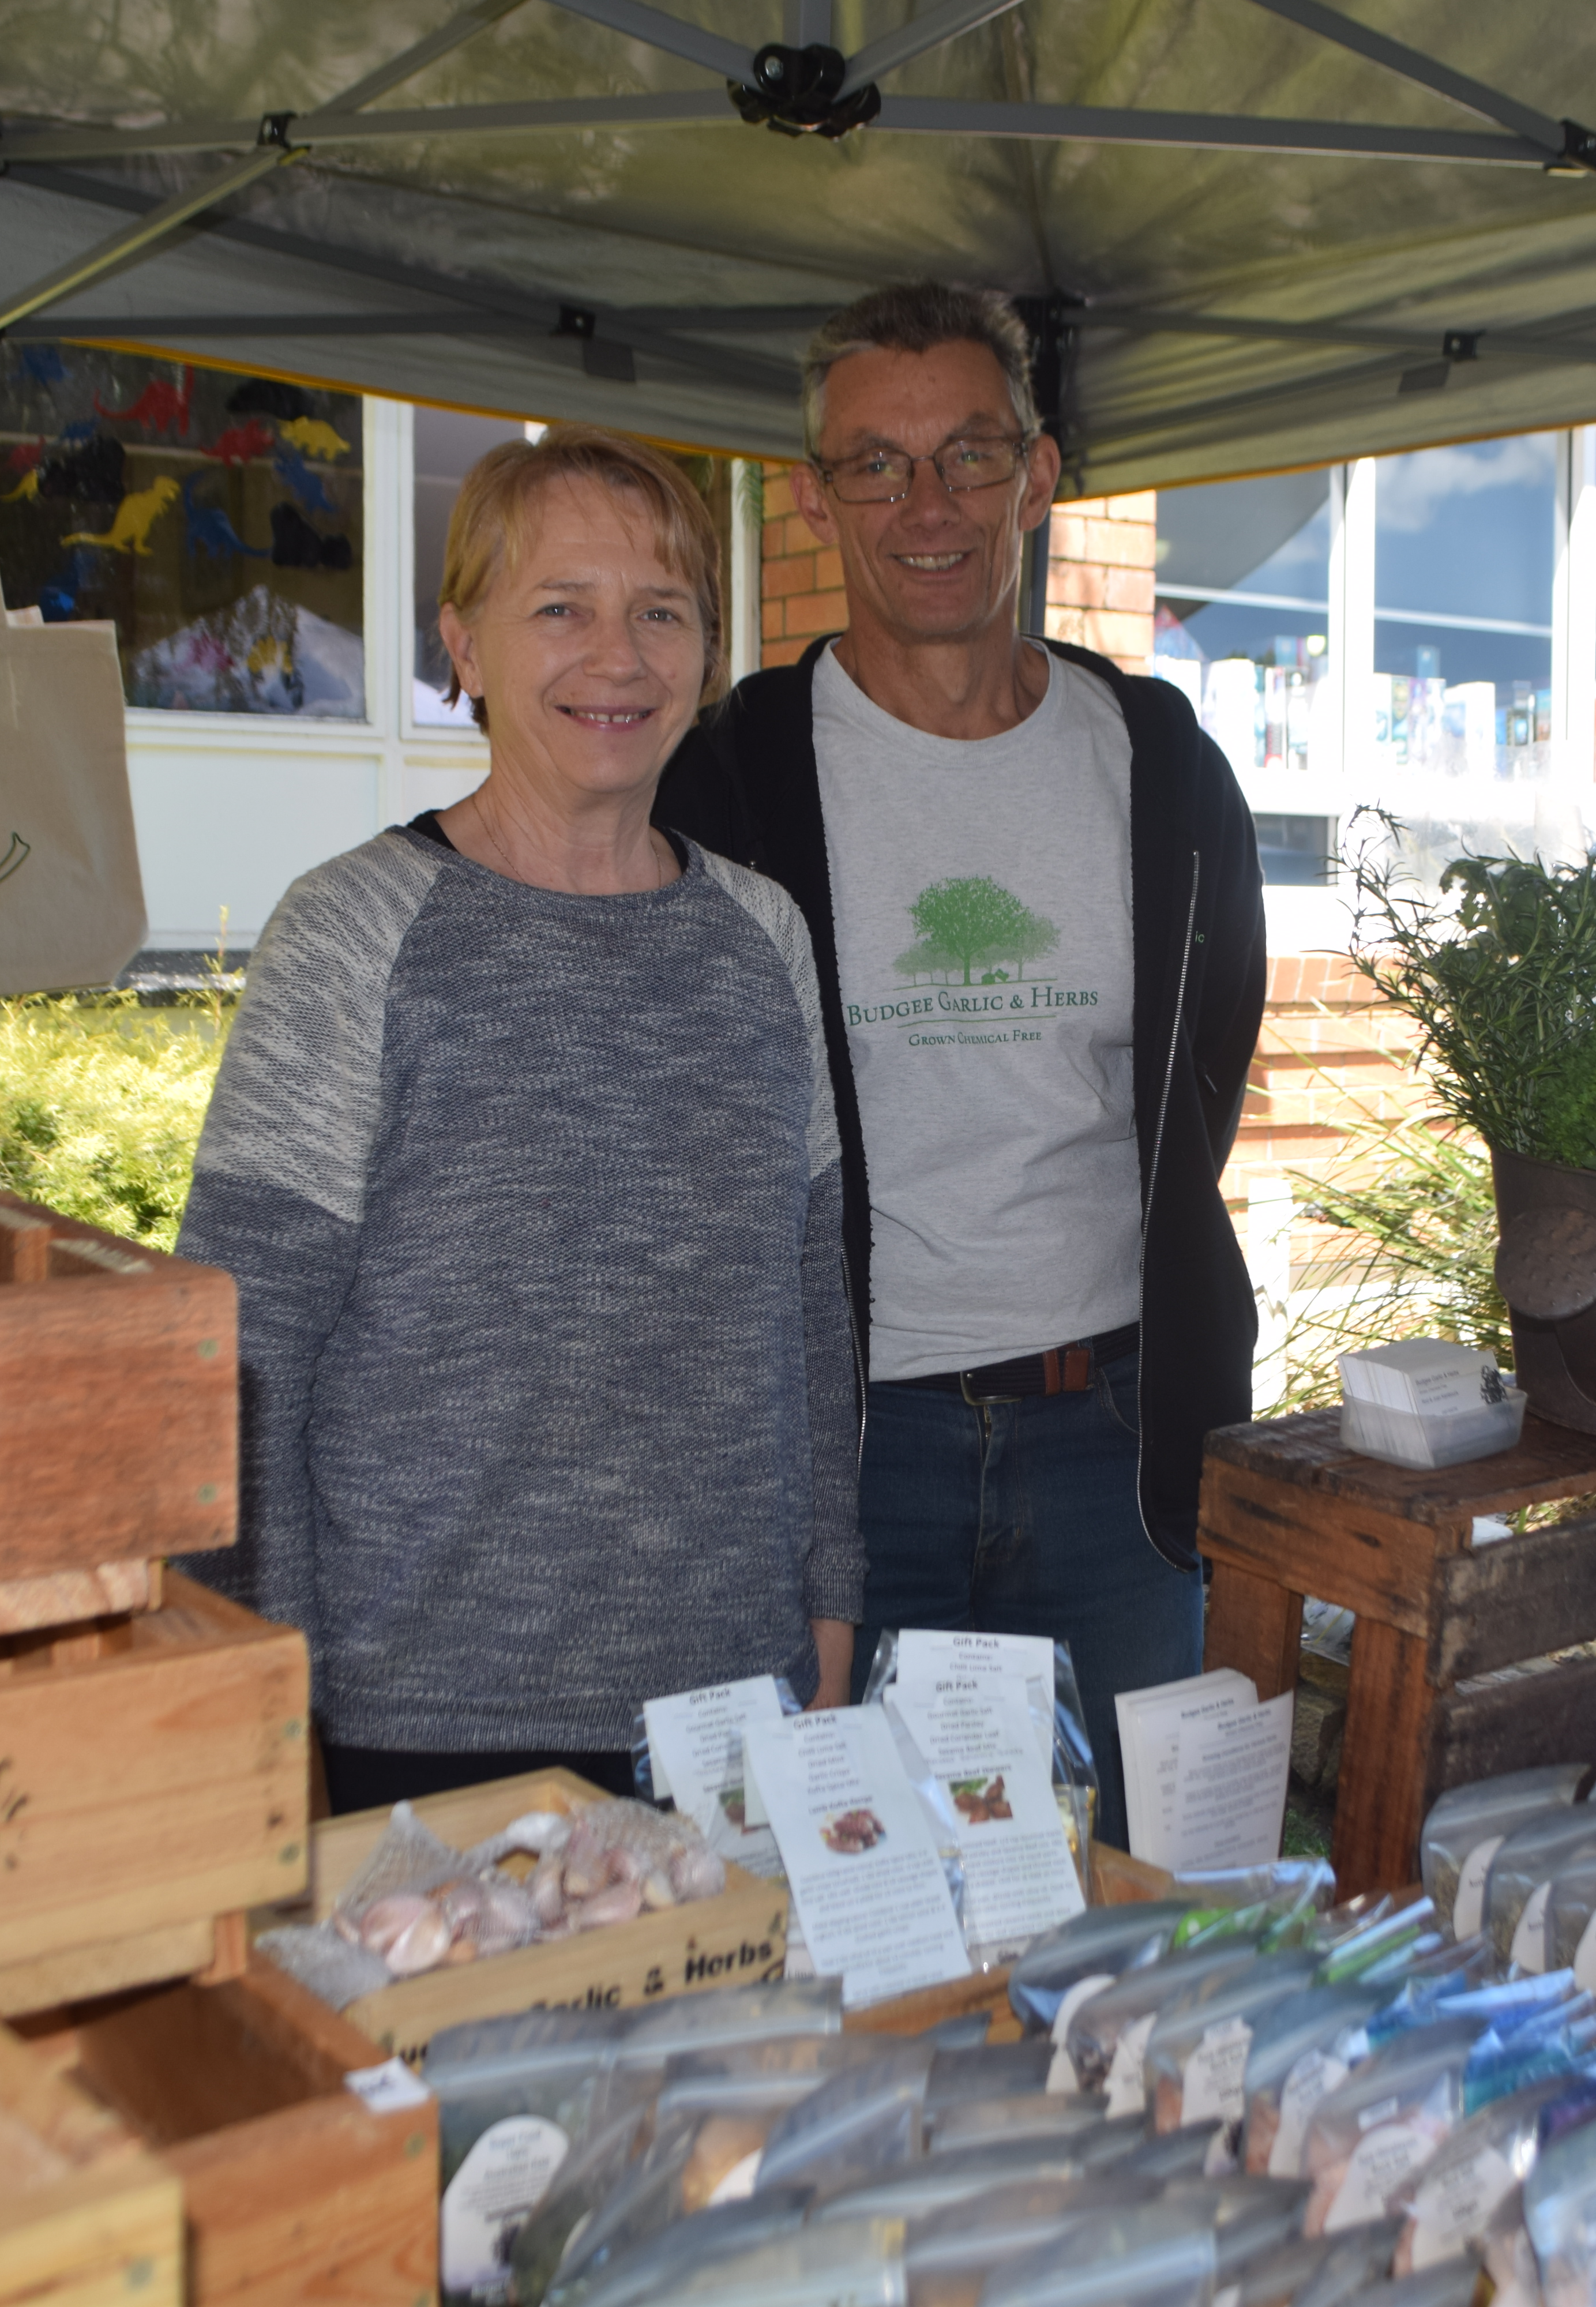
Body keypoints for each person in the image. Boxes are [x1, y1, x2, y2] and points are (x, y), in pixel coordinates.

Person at [654, 283, 1265, 1848]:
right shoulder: (728, 776)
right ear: (814, 494)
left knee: (1154, 1881)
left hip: (1121, 1443)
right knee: (857, 1902)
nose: (924, 506)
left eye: (968, 456)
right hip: (854, 1458)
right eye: (876, 464)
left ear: (1041, 475)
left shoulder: (1161, 764)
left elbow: (1203, 1075)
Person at [179, 425, 861, 1813]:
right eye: (561, 608)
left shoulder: (764, 936)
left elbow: (813, 1307)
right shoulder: (356, 930)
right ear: (466, 647)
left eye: (660, 612)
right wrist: (260, 1695)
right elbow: (236, 1357)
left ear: (707, 654)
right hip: (415, 1715)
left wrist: (829, 1603)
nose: (617, 657)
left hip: (731, 1701)